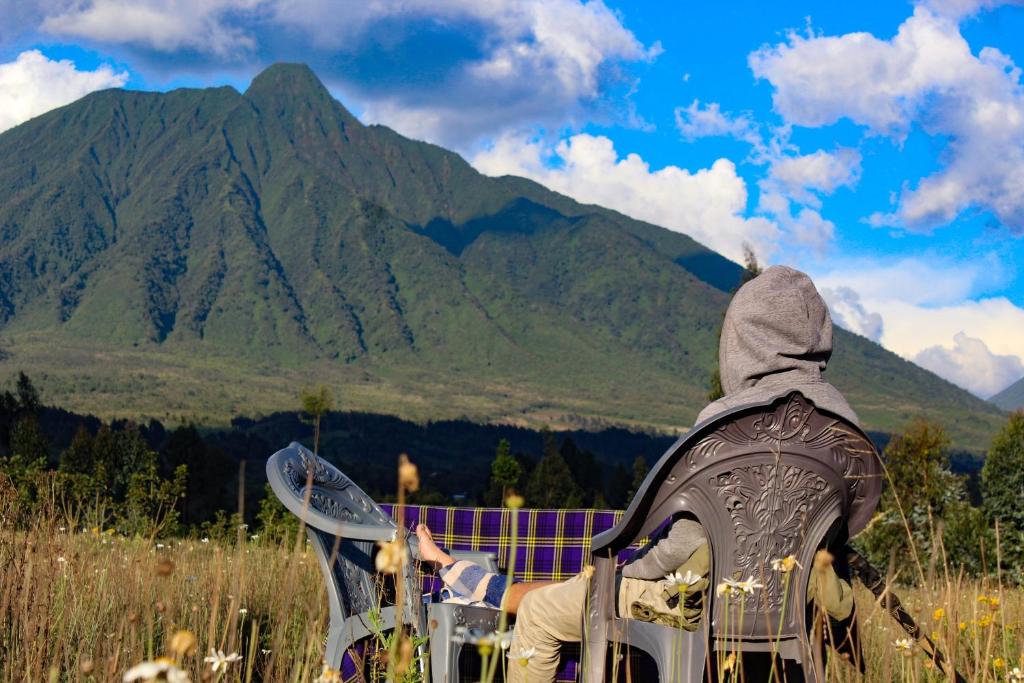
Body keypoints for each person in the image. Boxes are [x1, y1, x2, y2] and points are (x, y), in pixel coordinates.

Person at [417, 265, 861, 683]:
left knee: (540, 612)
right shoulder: (844, 424)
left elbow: (685, 545)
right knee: (564, 592)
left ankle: (456, 573)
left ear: (740, 341)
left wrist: (632, 569)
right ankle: (458, 572)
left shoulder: (728, 420)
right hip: (794, 605)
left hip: (698, 602)